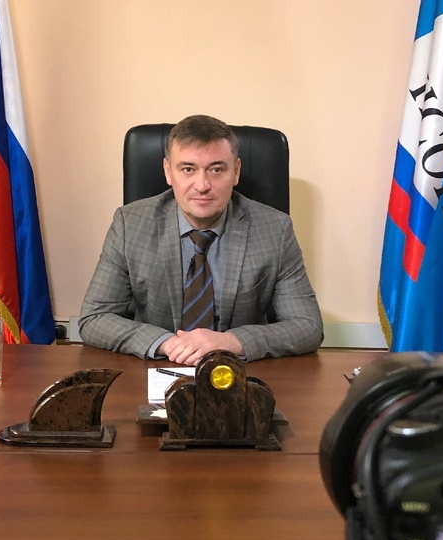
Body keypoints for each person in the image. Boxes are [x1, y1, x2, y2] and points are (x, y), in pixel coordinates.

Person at [78, 115, 323, 365]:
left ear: (235, 171)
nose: (202, 185)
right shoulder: (130, 224)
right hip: (157, 368)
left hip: (239, 371)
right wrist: (168, 344)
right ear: (168, 172)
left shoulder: (275, 229)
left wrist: (231, 341)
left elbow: (308, 326)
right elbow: (94, 318)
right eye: (188, 169)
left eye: (216, 169)